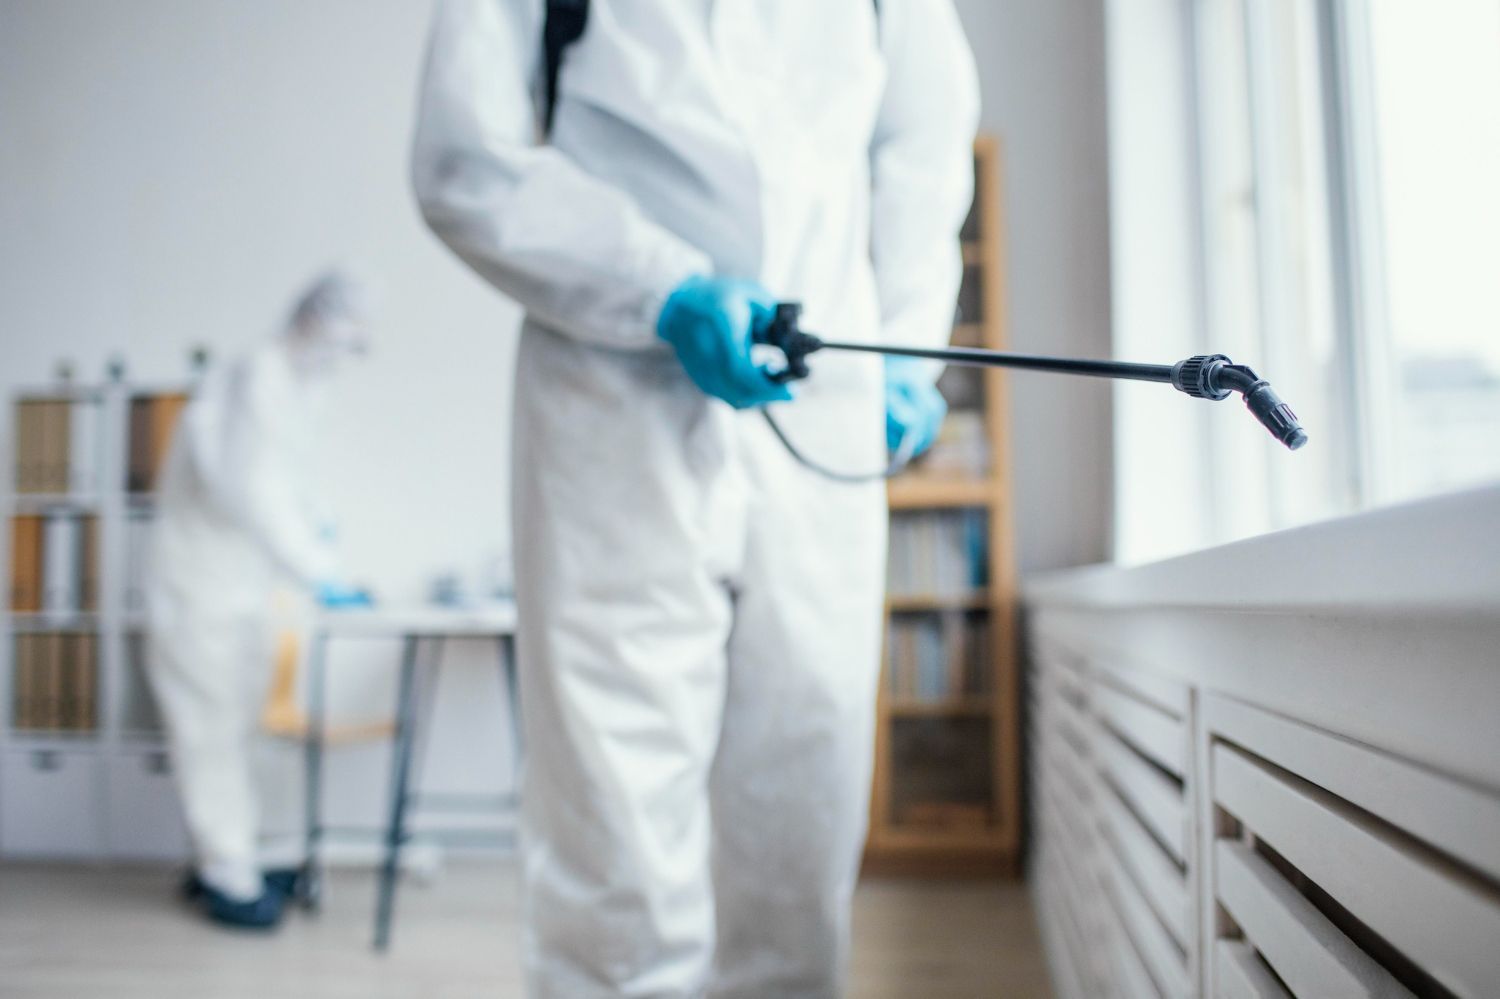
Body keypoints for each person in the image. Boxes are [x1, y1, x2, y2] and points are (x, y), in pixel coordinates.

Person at [413, 1, 978, 994]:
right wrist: (659, 287)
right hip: (610, 405)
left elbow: (924, 147)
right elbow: (466, 159)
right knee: (611, 816)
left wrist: (904, 345)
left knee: (804, 793)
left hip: (825, 406)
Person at [146, 271, 373, 929]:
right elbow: (250, 489)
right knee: (209, 732)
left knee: (242, 729)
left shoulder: (295, 388)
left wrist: (323, 534)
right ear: (313, 322)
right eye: (343, 341)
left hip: (239, 590)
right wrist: (318, 567)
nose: (343, 358)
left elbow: (291, 482)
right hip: (198, 591)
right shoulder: (257, 377)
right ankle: (227, 875)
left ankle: (228, 856)